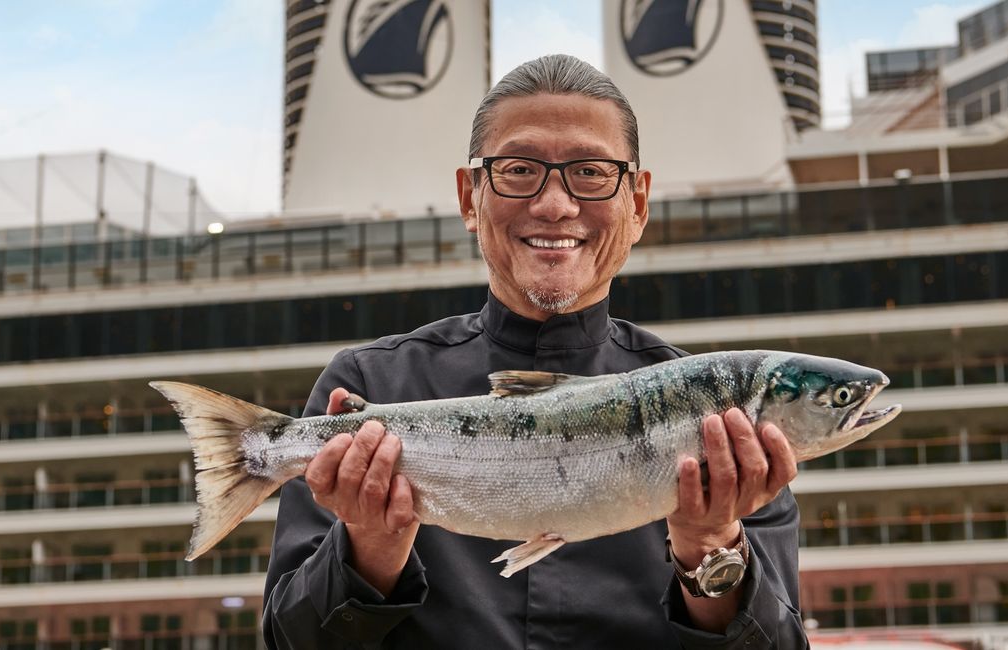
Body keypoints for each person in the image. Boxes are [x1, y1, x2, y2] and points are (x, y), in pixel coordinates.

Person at [263, 54, 807, 649]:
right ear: (470, 197)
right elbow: (290, 641)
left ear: (638, 204)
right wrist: (370, 545)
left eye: (591, 172)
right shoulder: (369, 385)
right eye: (519, 170)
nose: (554, 205)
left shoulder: (722, 414)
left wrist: (710, 546)